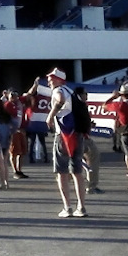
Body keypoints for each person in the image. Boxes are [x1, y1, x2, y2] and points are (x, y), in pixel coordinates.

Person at [46, 74, 89, 218]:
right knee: (77, 172)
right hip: (76, 133)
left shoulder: (59, 91)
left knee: (62, 172)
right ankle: (81, 207)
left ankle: (67, 206)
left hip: (63, 134)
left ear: (59, 79)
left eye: (52, 78)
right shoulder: (71, 91)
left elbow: (60, 100)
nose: (49, 81)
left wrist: (51, 115)